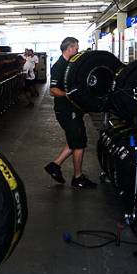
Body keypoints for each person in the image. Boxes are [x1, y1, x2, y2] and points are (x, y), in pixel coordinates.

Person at [44, 37, 97, 189]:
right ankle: (78, 178)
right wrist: (67, 94)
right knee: (79, 143)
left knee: (75, 140)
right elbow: (53, 90)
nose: (77, 50)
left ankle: (54, 166)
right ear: (69, 48)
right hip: (66, 111)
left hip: (74, 109)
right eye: (75, 48)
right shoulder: (59, 66)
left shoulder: (71, 64)